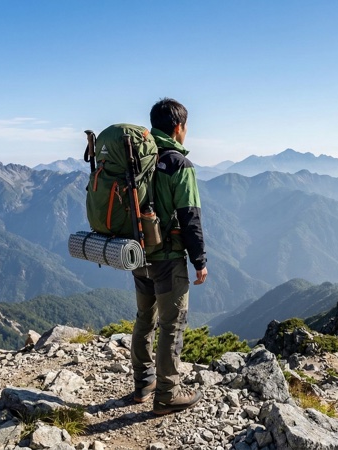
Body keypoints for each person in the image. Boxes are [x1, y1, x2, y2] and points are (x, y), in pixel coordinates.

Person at [130, 97, 208, 415]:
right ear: (179, 128)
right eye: (186, 127)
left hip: (137, 255)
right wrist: (200, 261)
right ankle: (166, 394)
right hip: (167, 258)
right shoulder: (179, 164)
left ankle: (143, 383)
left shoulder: (137, 158)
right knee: (172, 325)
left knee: (144, 319)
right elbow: (190, 216)